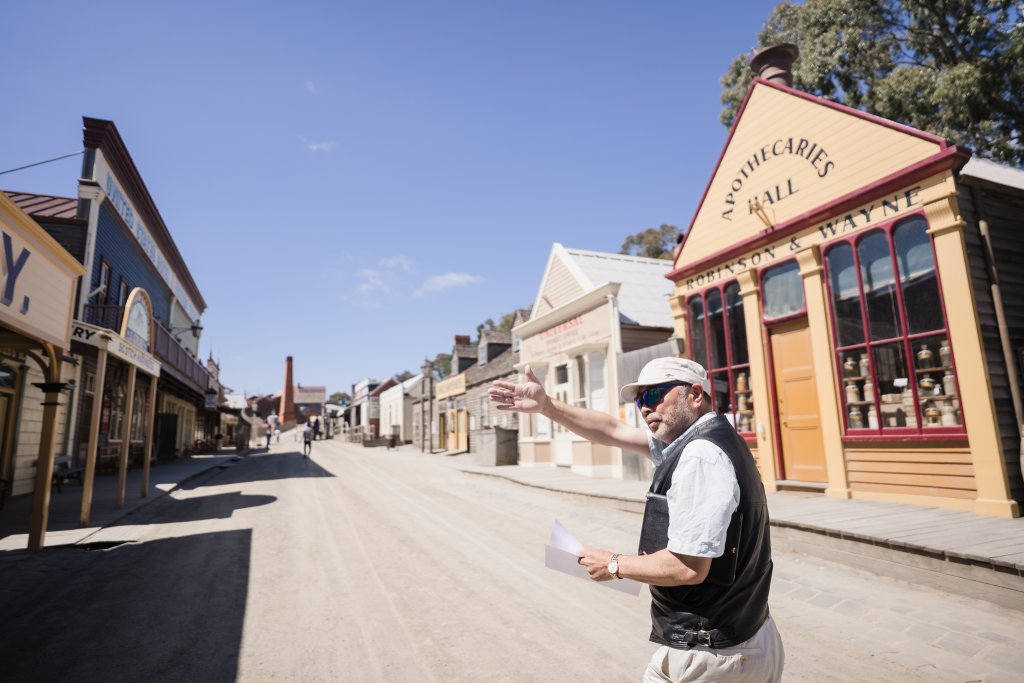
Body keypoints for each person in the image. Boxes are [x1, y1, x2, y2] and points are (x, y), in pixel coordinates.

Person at [489, 357, 783, 682]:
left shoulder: (700, 456)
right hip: (743, 636)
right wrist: (547, 406)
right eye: (639, 399)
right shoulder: (712, 438)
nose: (644, 407)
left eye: (654, 395)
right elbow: (612, 430)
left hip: (712, 652)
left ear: (695, 395)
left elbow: (688, 567)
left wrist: (614, 565)